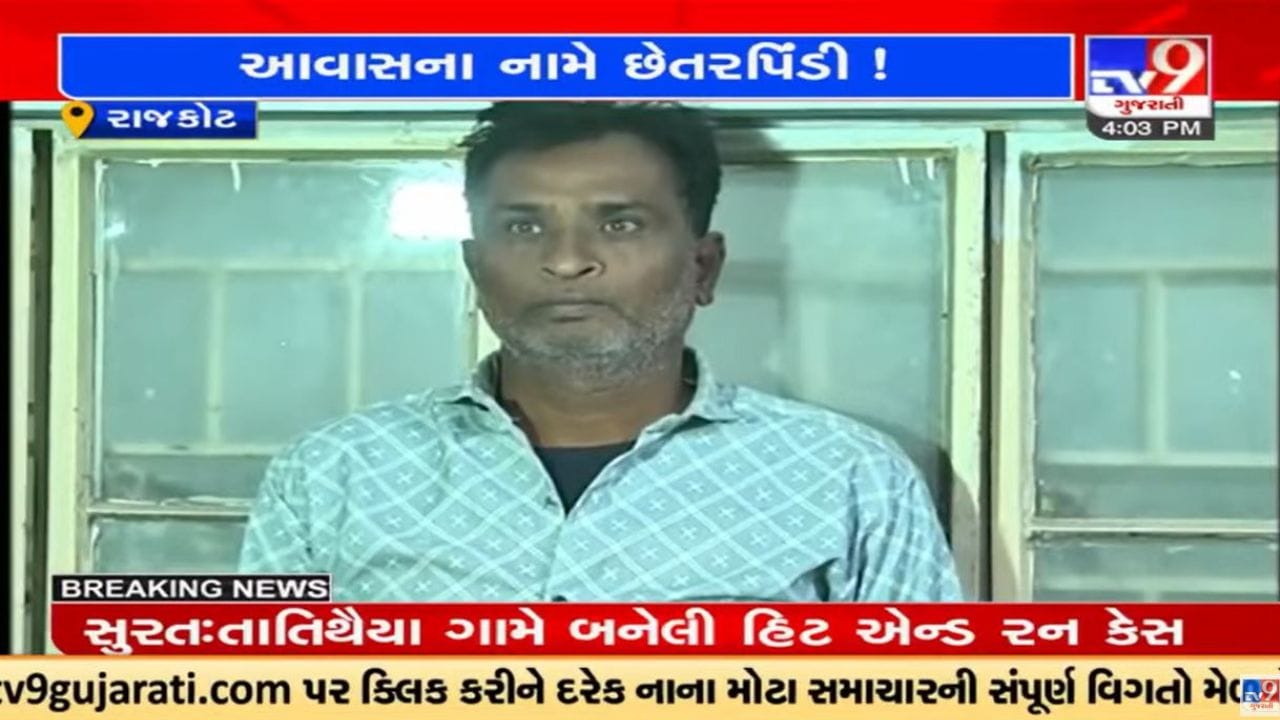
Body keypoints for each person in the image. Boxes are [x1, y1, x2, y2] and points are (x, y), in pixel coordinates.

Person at [239, 101, 963, 602]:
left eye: (619, 224)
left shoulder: (846, 479)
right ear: (474, 267)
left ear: (703, 267)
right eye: (524, 228)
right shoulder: (335, 473)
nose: (566, 261)